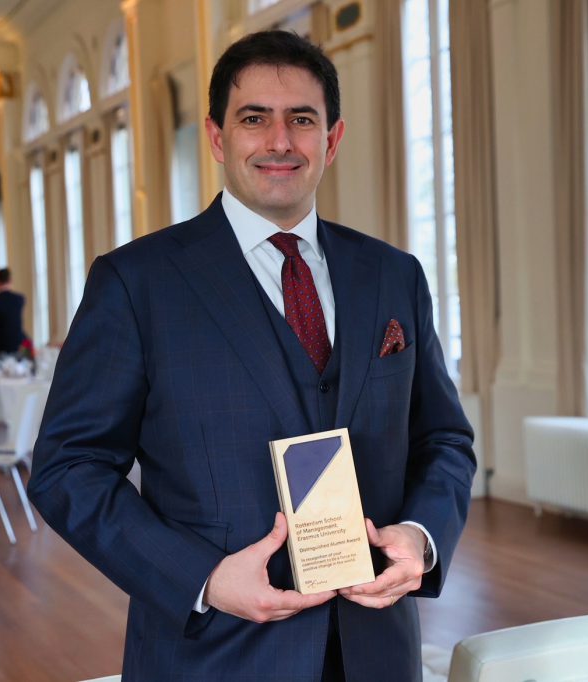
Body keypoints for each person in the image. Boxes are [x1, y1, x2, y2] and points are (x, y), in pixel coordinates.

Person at [28, 30, 476, 682]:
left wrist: (421, 537)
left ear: (333, 138)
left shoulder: (393, 275)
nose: (279, 141)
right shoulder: (136, 282)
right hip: (214, 653)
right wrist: (201, 577)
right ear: (217, 137)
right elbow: (68, 468)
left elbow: (444, 439)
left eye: (302, 119)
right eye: (253, 119)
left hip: (376, 651)